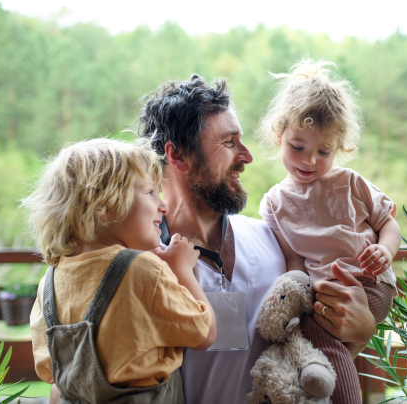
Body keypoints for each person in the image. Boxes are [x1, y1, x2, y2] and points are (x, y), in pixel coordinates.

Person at [50, 75, 378, 404]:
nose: (247, 156)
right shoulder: (127, 268)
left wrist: (362, 332)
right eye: (229, 142)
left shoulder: (276, 240)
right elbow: (69, 383)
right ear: (178, 156)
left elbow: (313, 358)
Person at [27, 138, 216, 403]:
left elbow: (51, 372)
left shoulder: (49, 283)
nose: (163, 205)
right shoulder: (143, 269)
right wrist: (181, 269)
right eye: (150, 192)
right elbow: (204, 334)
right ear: (104, 206)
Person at [257, 60, 401, 403]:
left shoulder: (350, 183)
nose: (309, 161)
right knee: (313, 339)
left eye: (323, 152)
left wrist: (385, 251)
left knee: (320, 341)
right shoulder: (274, 203)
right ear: (279, 136)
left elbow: (389, 224)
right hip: (322, 293)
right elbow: (294, 262)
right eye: (298, 147)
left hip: (369, 284)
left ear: (340, 148)